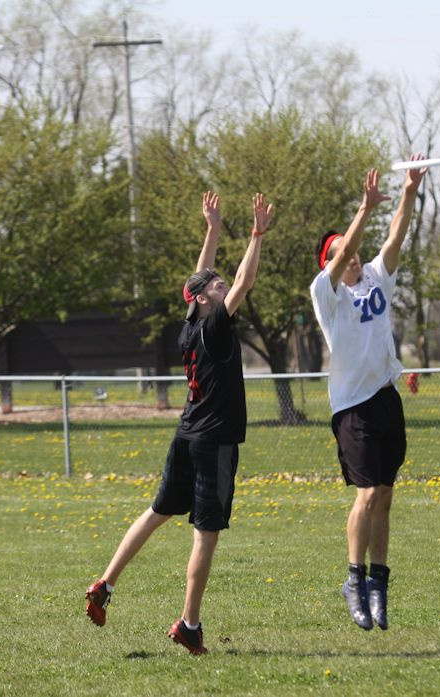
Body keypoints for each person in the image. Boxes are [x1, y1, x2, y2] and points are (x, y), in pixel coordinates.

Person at [85, 190, 274, 655]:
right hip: (214, 441)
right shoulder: (214, 326)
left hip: (187, 433)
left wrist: (213, 229)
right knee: (205, 533)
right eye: (217, 286)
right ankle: (189, 624)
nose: (224, 286)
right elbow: (246, 280)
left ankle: (105, 584)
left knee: (157, 512)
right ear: (205, 299)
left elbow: (199, 281)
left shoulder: (190, 327)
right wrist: (256, 234)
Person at [309, 157, 428, 631]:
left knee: (386, 495)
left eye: (355, 249)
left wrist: (408, 192)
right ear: (331, 264)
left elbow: (395, 237)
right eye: (343, 252)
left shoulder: (377, 276)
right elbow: (342, 255)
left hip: (385, 398)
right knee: (367, 493)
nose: (354, 256)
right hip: (352, 409)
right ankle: (354, 579)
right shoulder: (326, 295)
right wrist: (363, 209)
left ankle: (379, 581)